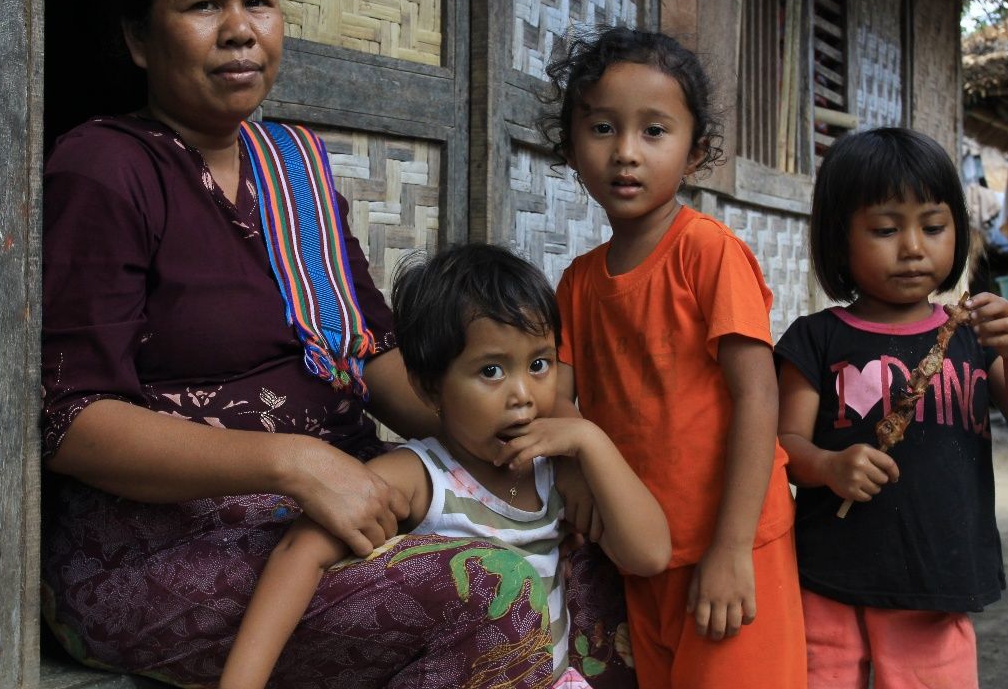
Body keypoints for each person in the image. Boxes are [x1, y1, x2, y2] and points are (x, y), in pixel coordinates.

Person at [41, 0, 634, 688]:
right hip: (164, 542)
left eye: (259, 1)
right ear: (140, 40)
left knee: (578, 543)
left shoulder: (298, 169)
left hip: (340, 492)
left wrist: (521, 441)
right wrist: (290, 463)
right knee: (488, 594)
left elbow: (373, 354)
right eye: (204, 6)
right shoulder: (109, 168)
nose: (241, 29)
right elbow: (74, 423)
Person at [221, 244, 671, 689]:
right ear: (431, 388)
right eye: (491, 371)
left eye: (539, 364)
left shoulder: (554, 471)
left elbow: (648, 554)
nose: (523, 394)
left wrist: (590, 440)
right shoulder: (423, 476)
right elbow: (298, 553)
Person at [544, 27, 807, 688]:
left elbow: (758, 397)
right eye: (603, 128)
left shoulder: (708, 254)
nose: (626, 152)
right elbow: (557, 399)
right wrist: (574, 479)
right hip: (642, 554)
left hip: (730, 545)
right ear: (572, 148)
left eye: (654, 131)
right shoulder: (578, 283)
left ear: (695, 153)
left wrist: (732, 549)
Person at [775, 127, 1008, 689]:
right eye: (885, 229)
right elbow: (784, 445)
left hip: (939, 584)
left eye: (933, 227)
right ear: (839, 239)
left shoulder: (974, 335)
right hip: (829, 579)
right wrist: (830, 467)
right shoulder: (816, 339)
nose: (913, 247)